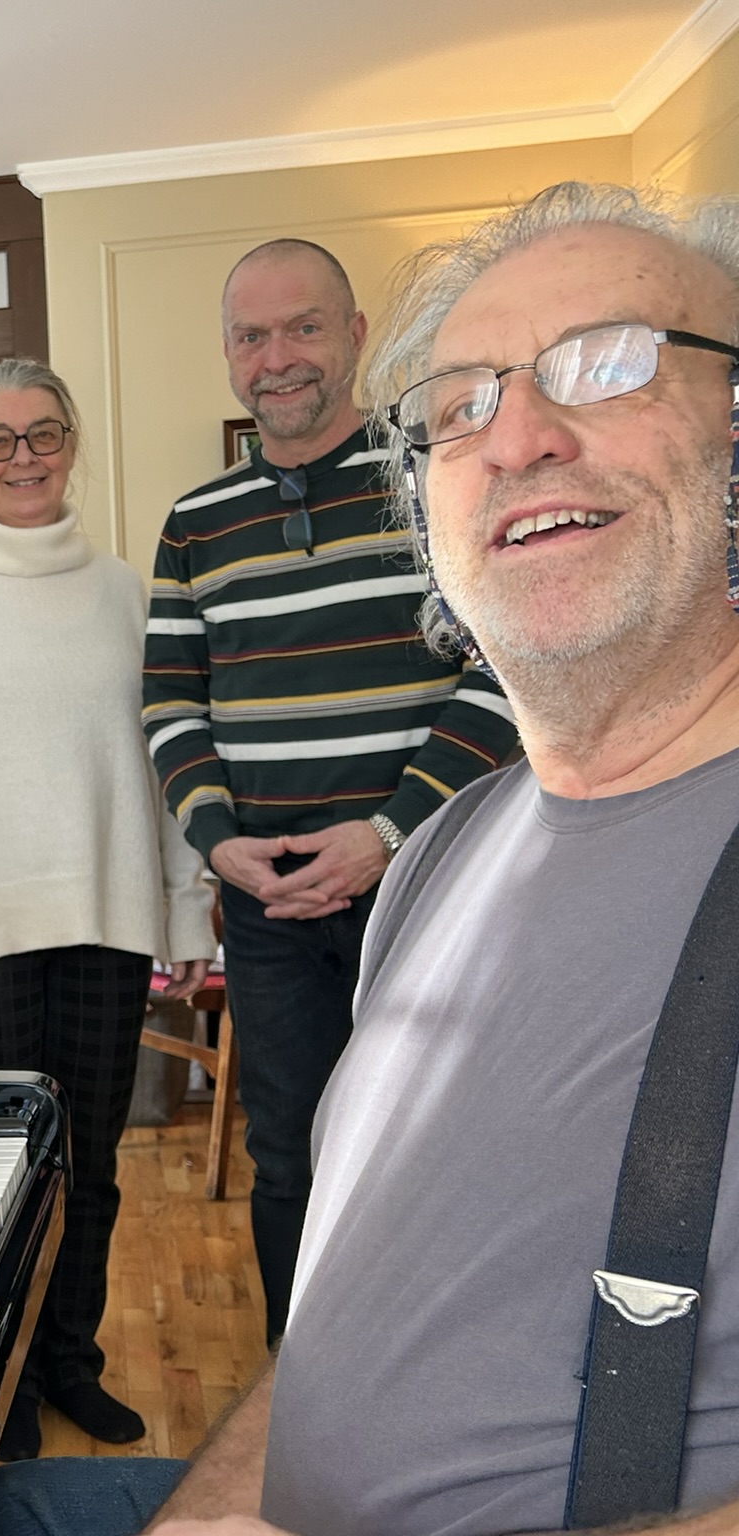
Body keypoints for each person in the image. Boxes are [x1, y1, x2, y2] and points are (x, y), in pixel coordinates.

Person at [100, 180, 739, 1536]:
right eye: (464, 404)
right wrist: (209, 1512)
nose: (520, 437)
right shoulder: (461, 860)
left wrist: (376, 831)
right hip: (295, 891)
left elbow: (469, 703)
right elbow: (340, 1332)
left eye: (608, 362)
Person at [140, 238, 519, 1343]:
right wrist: (221, 848)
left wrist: (390, 832)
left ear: (353, 337)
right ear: (225, 355)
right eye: (250, 336)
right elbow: (171, 707)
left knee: (438, 1147)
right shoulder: (194, 524)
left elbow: (499, 667)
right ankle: (295, 1393)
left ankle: (434, 1393)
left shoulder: (439, 477)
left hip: (429, 888)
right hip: (266, 904)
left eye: (302, 327)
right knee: (287, 1158)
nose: (276, 358)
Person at [0, 357, 213, 1450]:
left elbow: (161, 765)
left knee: (91, 1165)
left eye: (42, 434)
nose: (23, 458)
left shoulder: (124, 593)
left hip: (105, 926)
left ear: (71, 443)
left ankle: (66, 1362)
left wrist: (187, 913)